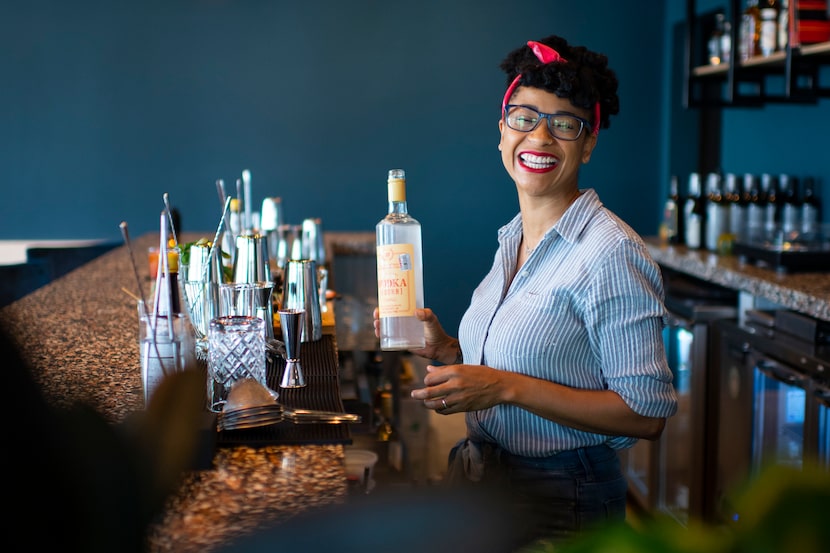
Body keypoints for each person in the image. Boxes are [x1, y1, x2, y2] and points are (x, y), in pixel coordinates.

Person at [374, 35, 678, 547]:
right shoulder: (514, 237)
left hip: (564, 501)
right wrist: (449, 351)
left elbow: (646, 414)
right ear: (501, 131)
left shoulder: (610, 252)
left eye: (564, 124)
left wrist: (503, 387)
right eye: (524, 117)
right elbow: (535, 358)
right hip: (486, 483)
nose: (539, 138)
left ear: (589, 142)